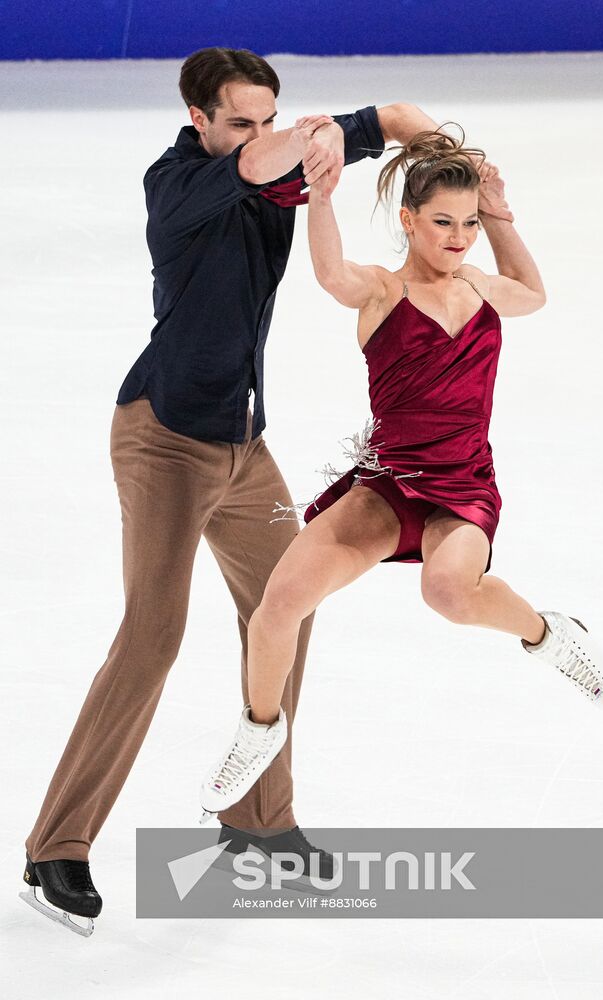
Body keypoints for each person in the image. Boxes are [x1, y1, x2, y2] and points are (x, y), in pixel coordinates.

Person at [19, 45, 445, 936]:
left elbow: (400, 117)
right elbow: (262, 162)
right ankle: (55, 848)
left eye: (268, 115)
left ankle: (256, 821)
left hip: (245, 450)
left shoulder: (283, 159)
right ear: (200, 122)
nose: (257, 134)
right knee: (152, 636)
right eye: (239, 120)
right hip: (165, 439)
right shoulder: (176, 185)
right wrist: (312, 139)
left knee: (288, 601)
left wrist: (448, 158)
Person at [197, 123, 603, 826]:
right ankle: (258, 726)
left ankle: (549, 635)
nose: (458, 237)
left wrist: (499, 213)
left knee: (450, 591)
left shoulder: (483, 286)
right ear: (408, 220)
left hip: (463, 487)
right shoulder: (382, 292)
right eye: (442, 222)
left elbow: (534, 293)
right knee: (279, 604)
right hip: (389, 484)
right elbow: (331, 275)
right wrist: (322, 197)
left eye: (466, 224)